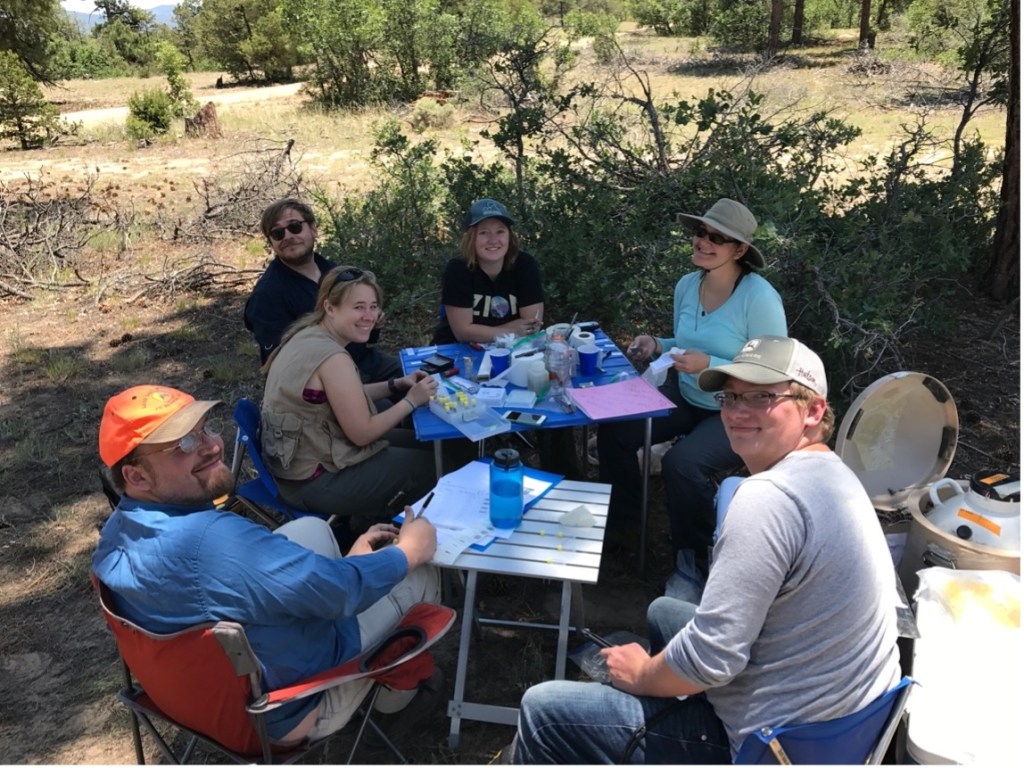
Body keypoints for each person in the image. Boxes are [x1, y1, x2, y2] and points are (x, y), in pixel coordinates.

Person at [512, 336, 902, 764]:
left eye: (761, 397)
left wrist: (642, 673)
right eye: (730, 396)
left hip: (772, 744)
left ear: (813, 411)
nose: (737, 411)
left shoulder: (768, 501)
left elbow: (711, 661)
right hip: (840, 725)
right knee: (663, 611)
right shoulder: (835, 476)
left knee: (543, 710)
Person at [93, 384, 442, 747]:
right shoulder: (214, 545)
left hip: (197, 695)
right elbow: (343, 594)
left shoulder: (116, 533)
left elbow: (248, 584)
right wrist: (409, 552)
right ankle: (396, 701)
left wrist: (346, 568)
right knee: (421, 571)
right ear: (137, 476)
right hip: (282, 708)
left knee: (312, 529)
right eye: (183, 445)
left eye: (206, 429)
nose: (212, 446)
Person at [597, 198, 786, 588]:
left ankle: (693, 563)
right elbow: (685, 342)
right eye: (701, 232)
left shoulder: (759, 297)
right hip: (686, 396)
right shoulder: (687, 285)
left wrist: (711, 365)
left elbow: (773, 371)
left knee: (682, 463)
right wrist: (658, 344)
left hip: (741, 410)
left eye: (718, 237)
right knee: (616, 430)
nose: (703, 241)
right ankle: (628, 527)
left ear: (740, 250)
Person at [260, 265, 439, 524]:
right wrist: (412, 401)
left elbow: (343, 396)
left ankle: (370, 514)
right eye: (358, 307)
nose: (369, 316)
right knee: (435, 466)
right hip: (313, 480)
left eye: (373, 306)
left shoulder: (306, 334)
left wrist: (397, 384)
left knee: (423, 443)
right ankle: (371, 526)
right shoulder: (332, 357)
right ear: (330, 308)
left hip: (307, 456)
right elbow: (362, 433)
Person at [244, 197, 403, 388]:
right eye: (277, 233)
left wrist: (372, 322)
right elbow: (282, 367)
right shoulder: (267, 296)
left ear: (313, 230)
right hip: (326, 382)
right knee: (390, 410)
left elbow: (361, 333)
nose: (287, 236)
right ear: (271, 242)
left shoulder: (333, 271)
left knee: (424, 378)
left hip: (364, 361)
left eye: (294, 227)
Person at [432, 198, 545, 345]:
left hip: (512, 349)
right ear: (471, 238)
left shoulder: (524, 265)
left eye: (500, 231)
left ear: (509, 237)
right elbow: (462, 333)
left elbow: (531, 325)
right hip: (458, 350)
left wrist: (481, 332)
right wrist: (510, 330)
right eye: (484, 233)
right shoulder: (458, 269)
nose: (493, 240)